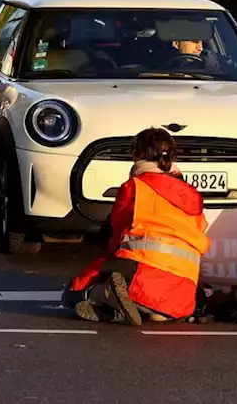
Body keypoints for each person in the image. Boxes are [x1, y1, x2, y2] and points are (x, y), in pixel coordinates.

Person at [64, 128, 210, 326]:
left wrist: (99, 266)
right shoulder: (193, 196)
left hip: (141, 275)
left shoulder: (135, 187)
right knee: (146, 293)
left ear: (137, 155)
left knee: (73, 294)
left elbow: (116, 235)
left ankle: (105, 297)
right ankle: (141, 309)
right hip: (181, 296)